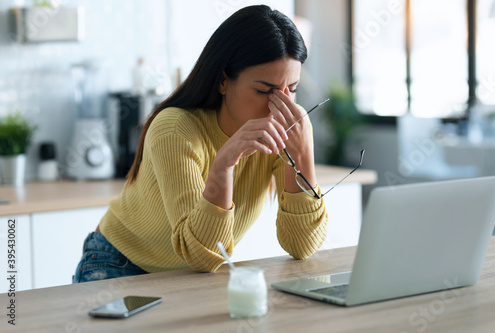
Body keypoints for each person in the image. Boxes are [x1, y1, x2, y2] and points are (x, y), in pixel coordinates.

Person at [73, 4, 328, 283]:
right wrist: (223, 166)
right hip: (119, 265)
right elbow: (201, 254)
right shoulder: (175, 129)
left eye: (292, 89)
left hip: (192, 277)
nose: (280, 106)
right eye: (264, 91)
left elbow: (302, 246)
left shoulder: (292, 128)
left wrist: (302, 156)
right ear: (223, 81)